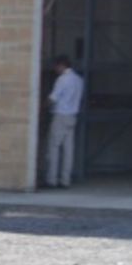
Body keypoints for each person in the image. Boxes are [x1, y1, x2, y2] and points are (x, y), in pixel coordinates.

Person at [45, 54, 85, 188]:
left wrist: (42, 106)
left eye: (56, 67)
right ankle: (65, 180)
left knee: (54, 148)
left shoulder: (62, 80)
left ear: (61, 65)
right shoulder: (79, 80)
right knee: (68, 150)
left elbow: (53, 98)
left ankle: (52, 179)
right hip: (72, 116)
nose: (55, 70)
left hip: (60, 115)